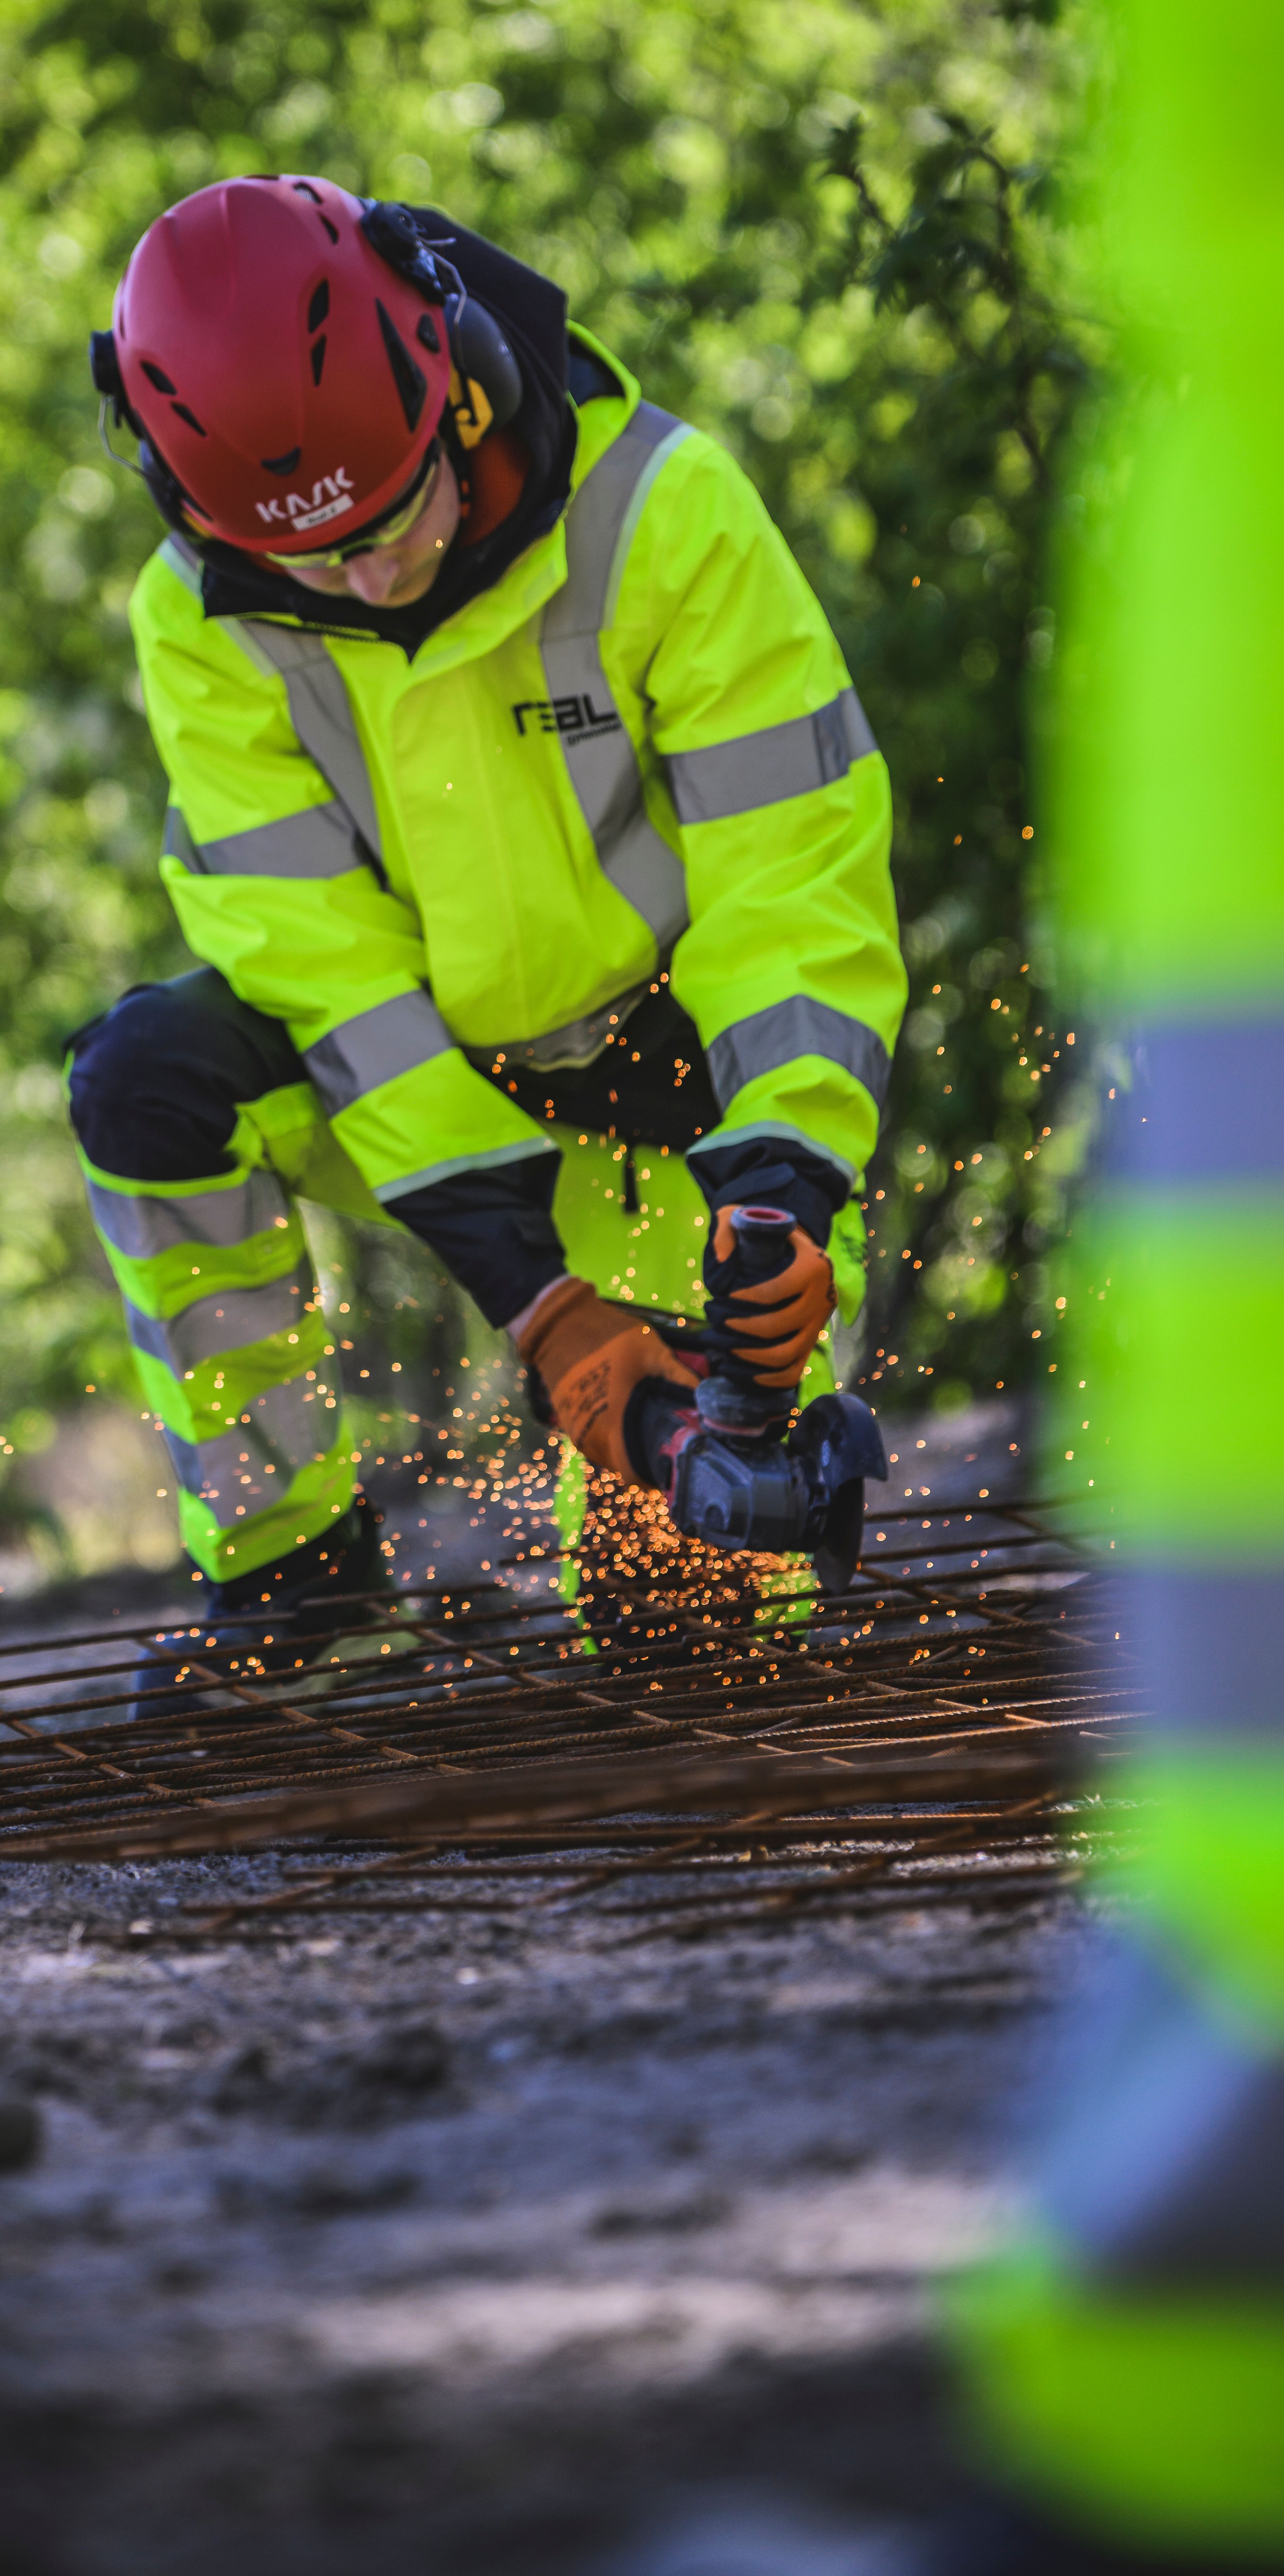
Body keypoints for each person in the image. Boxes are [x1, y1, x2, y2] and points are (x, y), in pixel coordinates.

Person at [68, 174, 905, 1659]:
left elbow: (793, 882)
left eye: (387, 522)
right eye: (309, 559)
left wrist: (781, 1184)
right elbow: (326, 977)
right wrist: (539, 1306)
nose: (365, 576)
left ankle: (717, 1479)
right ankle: (294, 1580)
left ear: (457, 385)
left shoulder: (663, 512)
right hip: (420, 1093)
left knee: (694, 1644)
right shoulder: (198, 612)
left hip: (669, 1099)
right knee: (149, 1081)